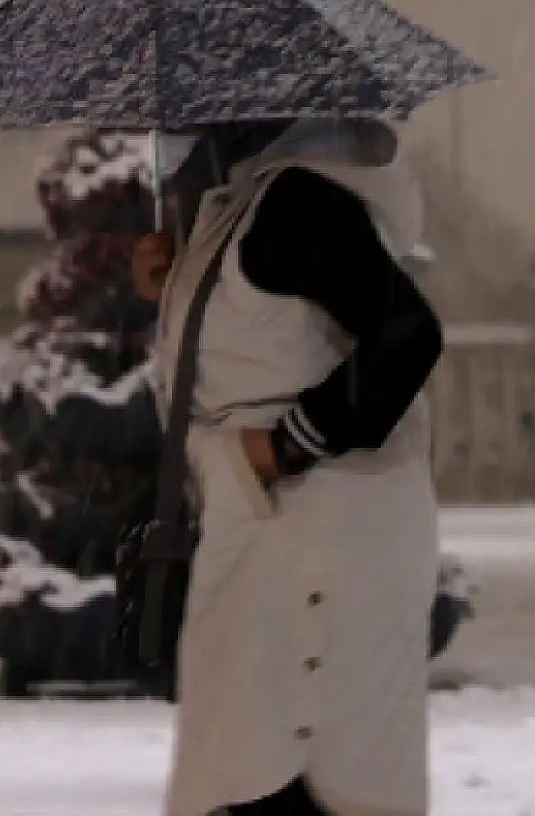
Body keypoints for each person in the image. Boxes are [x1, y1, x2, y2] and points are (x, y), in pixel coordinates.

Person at [133, 118, 444, 816]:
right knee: (253, 768)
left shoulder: (298, 201)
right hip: (274, 542)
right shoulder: (256, 205)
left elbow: (407, 337)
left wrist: (283, 447)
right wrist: (179, 276)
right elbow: (263, 339)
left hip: (311, 548)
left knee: (297, 770)